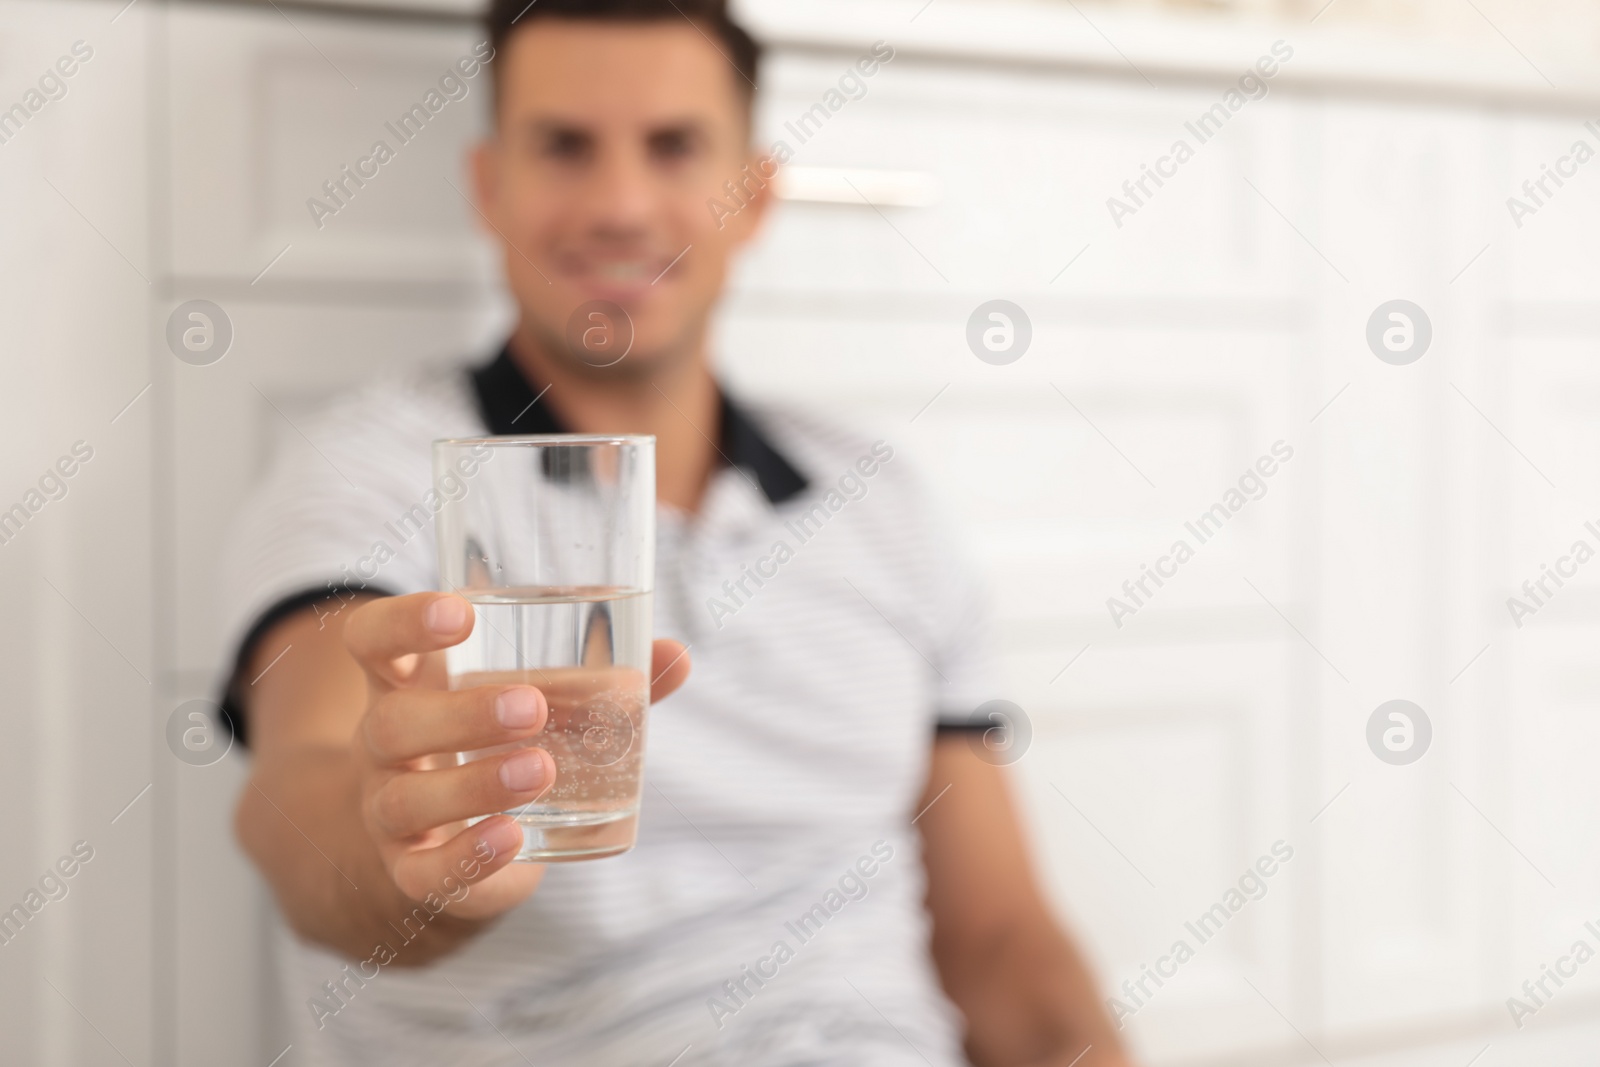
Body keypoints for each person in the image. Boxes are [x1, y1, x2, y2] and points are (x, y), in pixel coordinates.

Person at [222, 1, 1134, 1064]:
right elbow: (302, 791)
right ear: (490, 186)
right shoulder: (376, 471)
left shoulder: (882, 503)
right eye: (564, 145)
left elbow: (1000, 941)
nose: (618, 204)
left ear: (753, 196)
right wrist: (404, 848)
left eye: (673, 146)